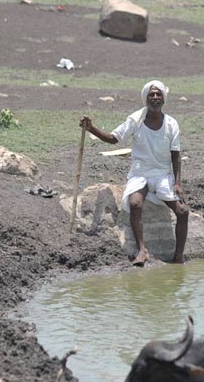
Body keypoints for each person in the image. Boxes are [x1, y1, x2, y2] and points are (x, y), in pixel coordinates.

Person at [79, 80, 189, 266]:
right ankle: (141, 250)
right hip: (141, 173)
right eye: (151, 95)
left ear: (164, 98)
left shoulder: (171, 124)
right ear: (145, 98)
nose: (155, 97)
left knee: (183, 211)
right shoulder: (136, 120)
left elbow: (176, 155)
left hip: (162, 174)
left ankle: (178, 257)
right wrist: (91, 129)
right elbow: (114, 139)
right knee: (135, 203)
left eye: (158, 94)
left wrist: (177, 183)